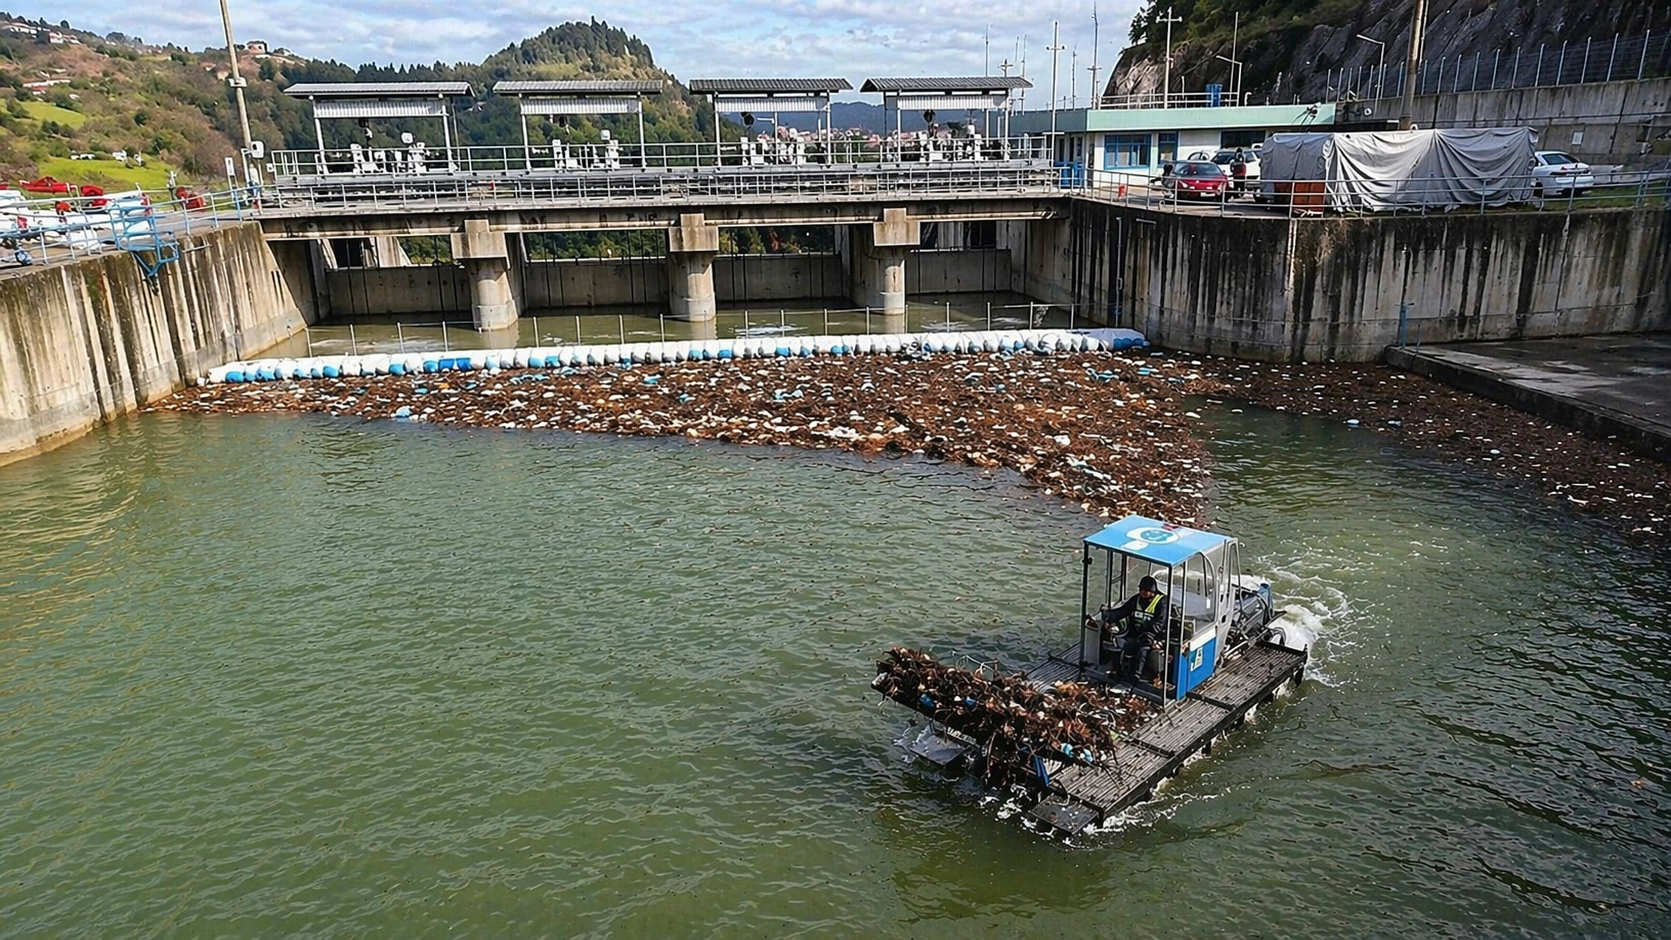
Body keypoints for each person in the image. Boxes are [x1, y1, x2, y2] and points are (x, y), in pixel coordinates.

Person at [1101, 575, 1169, 683]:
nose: (1142, 593)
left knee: (1143, 649)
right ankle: (1117, 671)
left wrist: (1147, 630)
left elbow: (1160, 623)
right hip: (1135, 633)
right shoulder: (1136, 599)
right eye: (1141, 590)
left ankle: (1136, 676)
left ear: (1152, 591)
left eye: (1146, 591)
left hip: (1153, 636)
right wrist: (1106, 616)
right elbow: (1122, 611)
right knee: (1117, 643)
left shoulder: (1162, 602)